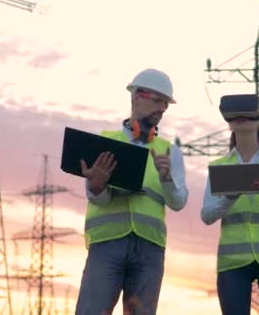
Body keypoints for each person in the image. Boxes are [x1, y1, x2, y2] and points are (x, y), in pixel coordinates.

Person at [74, 68, 189, 315]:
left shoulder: (170, 152)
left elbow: (179, 202)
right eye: (156, 100)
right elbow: (98, 198)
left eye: (165, 104)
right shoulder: (106, 141)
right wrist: (96, 185)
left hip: (150, 249)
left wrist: (167, 178)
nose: (161, 109)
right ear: (136, 96)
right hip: (107, 244)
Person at [201, 94, 259, 315]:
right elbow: (206, 215)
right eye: (236, 116)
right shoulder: (220, 166)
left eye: (249, 115)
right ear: (229, 122)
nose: (242, 118)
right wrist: (228, 199)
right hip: (232, 262)